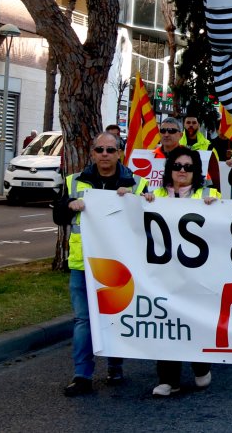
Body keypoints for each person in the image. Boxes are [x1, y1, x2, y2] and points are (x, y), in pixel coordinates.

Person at [52, 132, 148, 396]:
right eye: (99, 150)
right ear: (92, 154)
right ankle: (82, 375)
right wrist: (70, 205)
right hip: (83, 266)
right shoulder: (74, 182)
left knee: (117, 317)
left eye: (110, 149)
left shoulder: (136, 184)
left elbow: (150, 222)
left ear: (119, 153)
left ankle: (115, 365)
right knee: (84, 320)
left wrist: (136, 201)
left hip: (121, 267)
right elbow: (57, 216)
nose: (105, 154)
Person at [142, 146, 220, 397]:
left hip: (198, 273)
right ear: (169, 170)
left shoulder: (208, 193)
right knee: (166, 324)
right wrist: (141, 203)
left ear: (196, 170)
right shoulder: (155, 194)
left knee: (195, 321)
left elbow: (223, 226)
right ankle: (169, 379)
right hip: (166, 273)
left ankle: (201, 367)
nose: (182, 171)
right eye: (177, 166)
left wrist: (215, 206)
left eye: (188, 167)